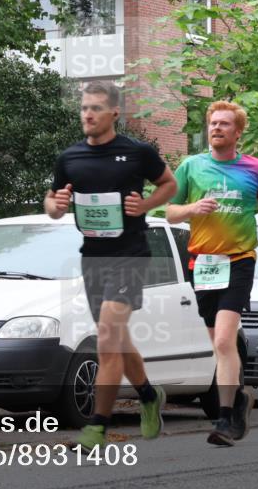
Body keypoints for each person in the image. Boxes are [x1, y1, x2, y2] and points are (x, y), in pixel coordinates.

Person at [44, 81, 178, 450]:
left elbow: (169, 184)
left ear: (114, 113)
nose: (88, 114)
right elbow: (52, 201)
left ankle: (97, 426)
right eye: (84, 107)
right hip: (93, 258)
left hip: (130, 255)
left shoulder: (137, 152)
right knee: (117, 339)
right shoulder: (70, 158)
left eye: (96, 108)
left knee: (106, 336)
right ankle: (149, 395)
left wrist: (146, 205)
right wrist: (56, 206)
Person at [166, 100, 258, 446]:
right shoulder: (191, 166)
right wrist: (193, 207)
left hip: (239, 260)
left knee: (222, 340)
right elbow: (170, 212)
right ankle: (240, 400)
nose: (216, 128)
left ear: (238, 132)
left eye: (224, 124)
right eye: (213, 123)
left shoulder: (255, 169)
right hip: (203, 264)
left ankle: (224, 418)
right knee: (219, 346)